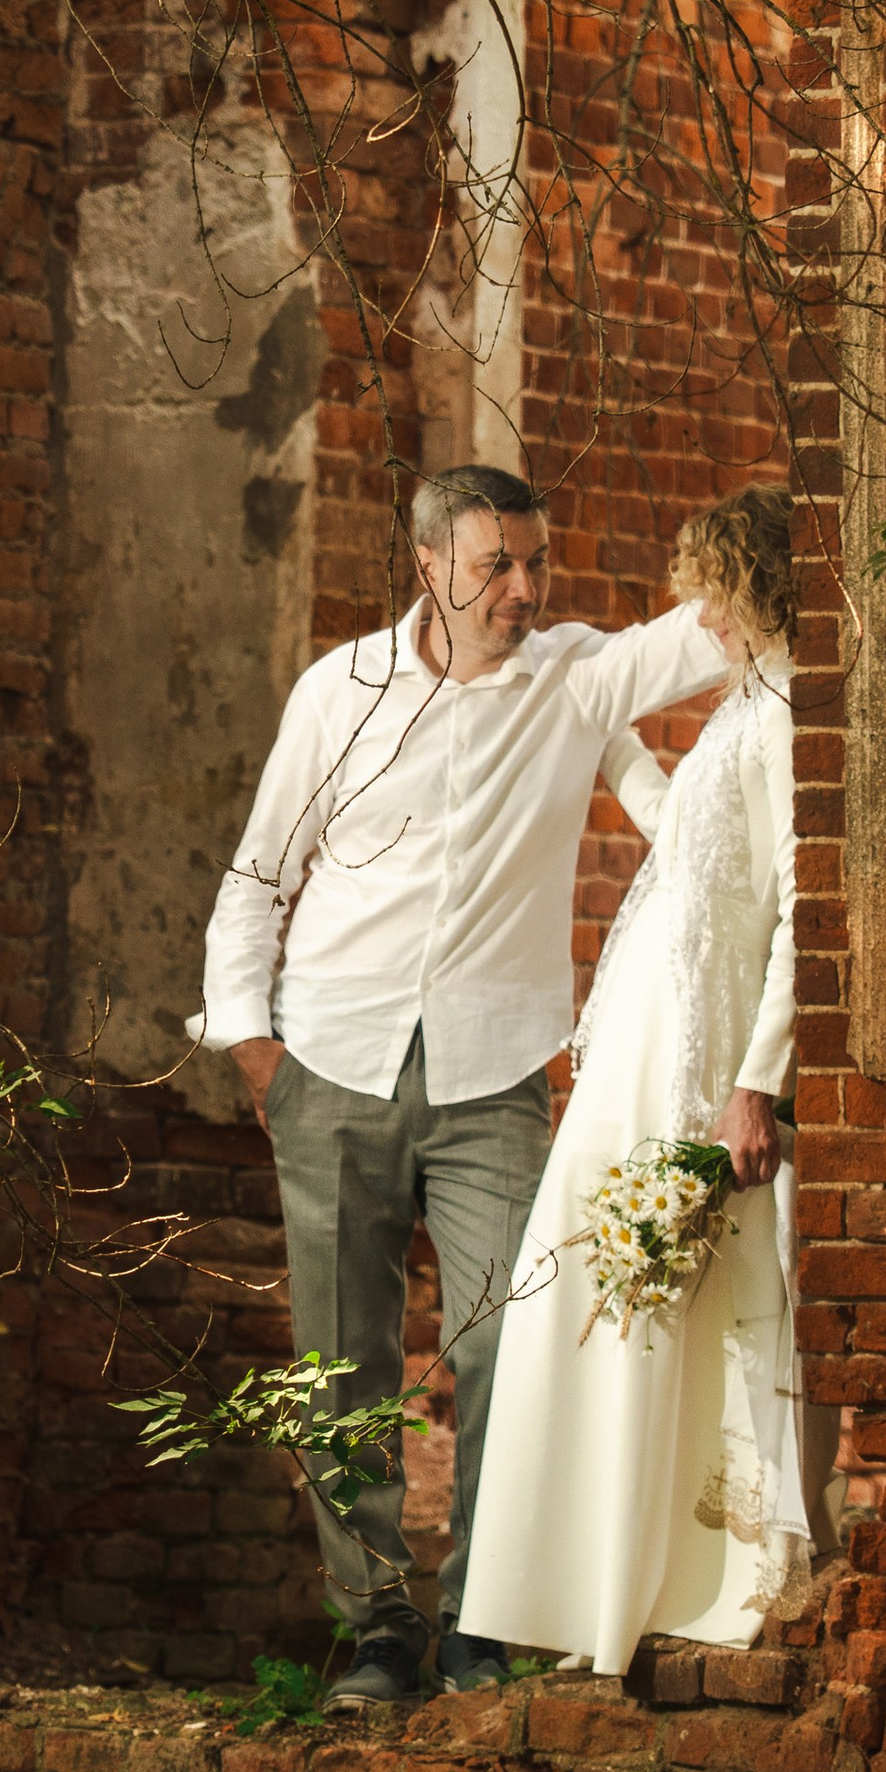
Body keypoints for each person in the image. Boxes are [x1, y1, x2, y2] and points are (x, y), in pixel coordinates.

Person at [196, 464, 726, 1704]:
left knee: (507, 1350)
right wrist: (254, 1048)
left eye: (534, 563)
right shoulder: (340, 691)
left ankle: (483, 1621)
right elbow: (259, 874)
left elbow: (714, 627)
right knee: (342, 1367)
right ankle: (380, 1631)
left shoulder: (575, 677)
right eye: (496, 566)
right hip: (330, 1064)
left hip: (495, 1080)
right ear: (428, 562)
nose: (522, 589)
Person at [459, 487, 834, 1677]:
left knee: (684, 1296)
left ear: (755, 588)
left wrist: (754, 1085)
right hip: (640, 1038)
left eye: (712, 595)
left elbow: (800, 909)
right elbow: (688, 844)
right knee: (589, 1287)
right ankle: (600, 1585)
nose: (700, 619)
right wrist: (607, 740)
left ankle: (705, 1575)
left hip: (702, 1050)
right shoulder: (743, 708)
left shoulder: (791, 714)